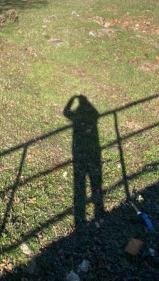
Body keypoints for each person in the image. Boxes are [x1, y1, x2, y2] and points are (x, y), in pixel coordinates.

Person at [63, 95, 104, 225]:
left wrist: (72, 99)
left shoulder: (77, 117)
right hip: (93, 153)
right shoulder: (93, 116)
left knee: (80, 182)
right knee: (94, 182)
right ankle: (98, 213)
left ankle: (82, 217)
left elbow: (66, 112)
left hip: (80, 152)